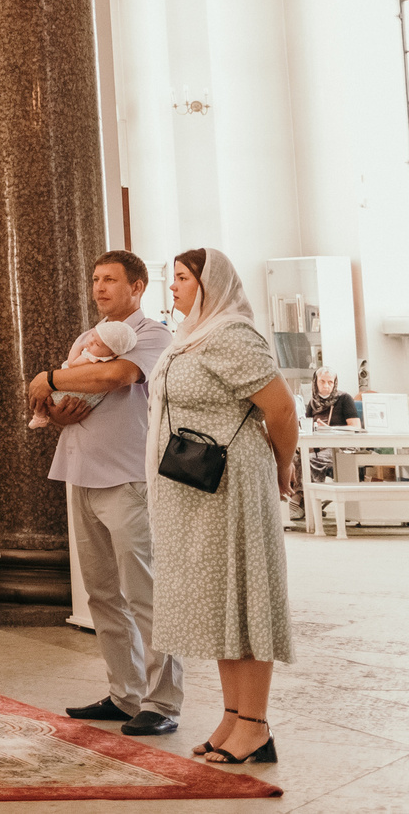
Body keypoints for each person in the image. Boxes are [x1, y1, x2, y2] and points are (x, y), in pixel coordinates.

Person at [149, 248, 298, 767]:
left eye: (183, 278)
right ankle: (234, 716)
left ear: (210, 285)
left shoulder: (233, 335)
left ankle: (256, 726)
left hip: (233, 486)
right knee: (219, 602)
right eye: (173, 279)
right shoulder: (195, 335)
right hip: (195, 491)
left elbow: (279, 409)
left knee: (244, 596)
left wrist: (281, 469)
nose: (174, 288)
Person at [29, 251, 179, 735]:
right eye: (95, 279)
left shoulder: (155, 334)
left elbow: (117, 376)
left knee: (145, 592)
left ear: (137, 287)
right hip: (82, 474)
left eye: (110, 279)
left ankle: (163, 702)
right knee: (101, 595)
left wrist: (48, 377)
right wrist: (55, 410)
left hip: (129, 478)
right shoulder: (85, 338)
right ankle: (125, 693)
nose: (99, 287)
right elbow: (74, 394)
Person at [28, 318, 141, 428]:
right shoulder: (107, 355)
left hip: (71, 394)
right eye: (92, 335)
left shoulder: (92, 357)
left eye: (96, 344)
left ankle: (39, 415)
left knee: (44, 397)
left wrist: (76, 348)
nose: (90, 341)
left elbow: (73, 364)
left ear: (112, 353)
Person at [304, 369, 361, 484]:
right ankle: (304, 495)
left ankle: (306, 497)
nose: (326, 386)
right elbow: (307, 426)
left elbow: (356, 427)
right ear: (315, 383)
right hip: (319, 446)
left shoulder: (344, 398)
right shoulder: (312, 403)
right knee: (297, 459)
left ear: (335, 383)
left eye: (330, 382)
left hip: (341, 446)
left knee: (310, 460)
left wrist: (330, 430)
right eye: (322, 381)